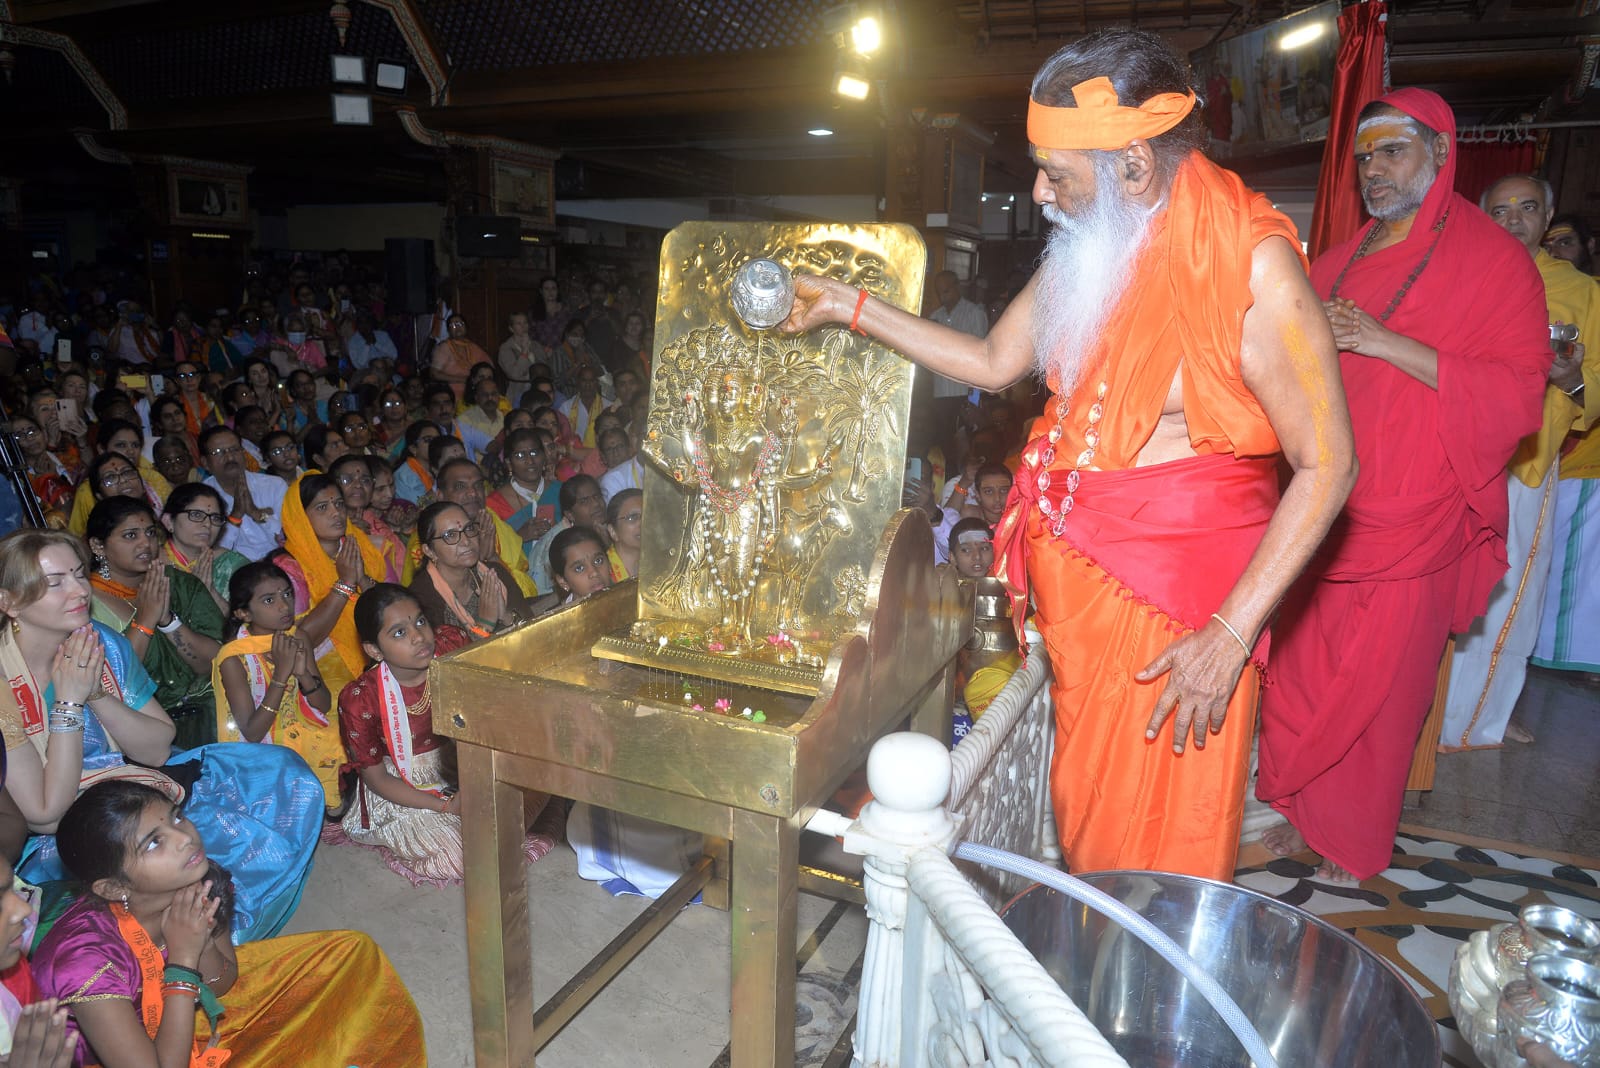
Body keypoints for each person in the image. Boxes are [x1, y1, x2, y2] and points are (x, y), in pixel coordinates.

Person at [780, 29, 1356, 882]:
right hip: (1084, 602)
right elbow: (993, 360)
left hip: (1176, 617)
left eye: (1058, 173)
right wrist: (848, 306)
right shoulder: (1101, 242)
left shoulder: (1251, 266)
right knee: (1094, 835)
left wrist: (1228, 638)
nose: (1040, 193)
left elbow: (1330, 464)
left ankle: (1135, 966)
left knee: (1157, 858)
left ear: (1135, 166)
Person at [1257, 89, 1551, 882]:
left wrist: (1384, 342)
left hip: (1416, 508)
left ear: (1442, 152)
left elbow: (1518, 394)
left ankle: (1351, 838)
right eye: (1365, 158)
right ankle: (1298, 809)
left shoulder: (1495, 263)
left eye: (1393, 151)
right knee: (1304, 671)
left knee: (1382, 686)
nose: (1374, 171)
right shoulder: (1337, 260)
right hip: (1328, 504)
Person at [0, 530, 322, 942]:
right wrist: (68, 701)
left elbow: (156, 748)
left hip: (134, 777)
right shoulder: (4, 684)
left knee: (284, 774)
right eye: (55, 583)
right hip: (75, 830)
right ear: (9, 602)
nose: (80, 590)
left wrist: (96, 694)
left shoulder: (99, 641)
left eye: (79, 574)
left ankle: (218, 933)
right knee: (169, 859)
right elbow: (45, 813)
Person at [31, 781, 425, 1066]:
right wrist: (182, 960)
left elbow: (224, 981)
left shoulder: (198, 879)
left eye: (176, 818)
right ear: (115, 887)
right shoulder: (86, 960)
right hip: (130, 1056)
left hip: (186, 1011)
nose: (185, 838)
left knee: (348, 955)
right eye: (154, 842)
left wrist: (198, 943)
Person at [1440, 175, 1600, 749]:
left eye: (1527, 208)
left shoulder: (1582, 291)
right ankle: (1428, 713)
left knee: (1507, 592)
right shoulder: (1456, 274)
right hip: (1450, 452)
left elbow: (1591, 394)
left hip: (1526, 461)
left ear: (1548, 216)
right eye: (1500, 210)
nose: (1513, 219)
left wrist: (1570, 377)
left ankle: (1478, 716)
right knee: (1441, 587)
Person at [338, 584, 556, 883]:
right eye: (399, 633)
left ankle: (510, 819)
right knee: (470, 857)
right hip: (404, 786)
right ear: (374, 650)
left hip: (459, 757)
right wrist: (445, 806)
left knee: (547, 763)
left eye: (420, 621)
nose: (418, 636)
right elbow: (377, 780)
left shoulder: (449, 646)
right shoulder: (361, 698)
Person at [87, 498, 225, 749]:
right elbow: (111, 682)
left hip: (212, 715)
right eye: (131, 535)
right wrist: (145, 620)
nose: (146, 543)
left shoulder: (180, 585)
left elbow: (217, 662)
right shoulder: (83, 605)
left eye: (150, 533)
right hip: (142, 732)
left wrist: (168, 621)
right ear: (98, 545)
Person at [213, 561, 348, 809]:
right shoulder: (233, 658)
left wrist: (303, 674)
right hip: (261, 745)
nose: (284, 605)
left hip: (301, 728)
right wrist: (281, 676)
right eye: (269, 600)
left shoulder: (297, 637)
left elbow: (323, 704)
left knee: (343, 738)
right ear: (244, 614)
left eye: (287, 594)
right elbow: (252, 733)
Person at [273, 473, 388, 681]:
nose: (336, 513)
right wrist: (345, 584)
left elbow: (392, 610)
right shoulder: (288, 568)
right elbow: (298, 641)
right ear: (300, 516)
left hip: (380, 661)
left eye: (339, 504)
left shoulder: (365, 550)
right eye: (322, 507)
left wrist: (362, 580)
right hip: (320, 676)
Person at [410, 502, 538, 636]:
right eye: (450, 535)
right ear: (429, 551)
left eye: (469, 528)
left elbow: (533, 629)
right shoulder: (420, 601)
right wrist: (485, 624)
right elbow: (445, 650)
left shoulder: (495, 574)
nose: (466, 541)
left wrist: (505, 616)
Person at [161, 484, 249, 618]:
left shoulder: (233, 565)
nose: (208, 524)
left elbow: (250, 622)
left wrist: (210, 592)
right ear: (168, 522)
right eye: (196, 515)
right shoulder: (151, 565)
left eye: (215, 518)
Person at [200, 426, 287, 562]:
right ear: (205, 463)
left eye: (234, 449)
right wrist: (235, 517)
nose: (230, 457)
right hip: (235, 571)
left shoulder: (274, 485)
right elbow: (210, 553)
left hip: (281, 564)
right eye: (219, 452)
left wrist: (256, 513)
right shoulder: (200, 499)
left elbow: (288, 536)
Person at [528, 474, 609, 597]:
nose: (596, 504)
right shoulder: (558, 545)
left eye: (597, 496)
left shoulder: (606, 528)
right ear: (570, 515)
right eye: (584, 501)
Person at [486, 427, 560, 549]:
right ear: (509, 464)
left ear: (544, 457)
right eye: (520, 455)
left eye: (534, 453)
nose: (530, 461)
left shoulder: (560, 491)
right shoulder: (493, 505)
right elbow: (490, 550)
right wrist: (518, 537)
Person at [926, 270, 990, 403]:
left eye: (946, 291)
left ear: (957, 287)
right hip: (941, 392)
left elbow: (981, 357)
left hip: (964, 393)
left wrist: (974, 399)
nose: (942, 297)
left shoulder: (974, 313)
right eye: (939, 293)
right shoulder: (935, 317)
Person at [498, 311, 541, 404]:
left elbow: (545, 368)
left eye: (525, 322)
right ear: (511, 328)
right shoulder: (505, 348)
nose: (523, 326)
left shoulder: (536, 345)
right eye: (519, 323)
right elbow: (514, 374)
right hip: (517, 394)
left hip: (538, 391)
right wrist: (524, 351)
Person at [604, 488, 643, 581]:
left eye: (649, 514)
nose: (644, 522)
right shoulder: (603, 572)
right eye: (633, 517)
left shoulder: (665, 562)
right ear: (613, 531)